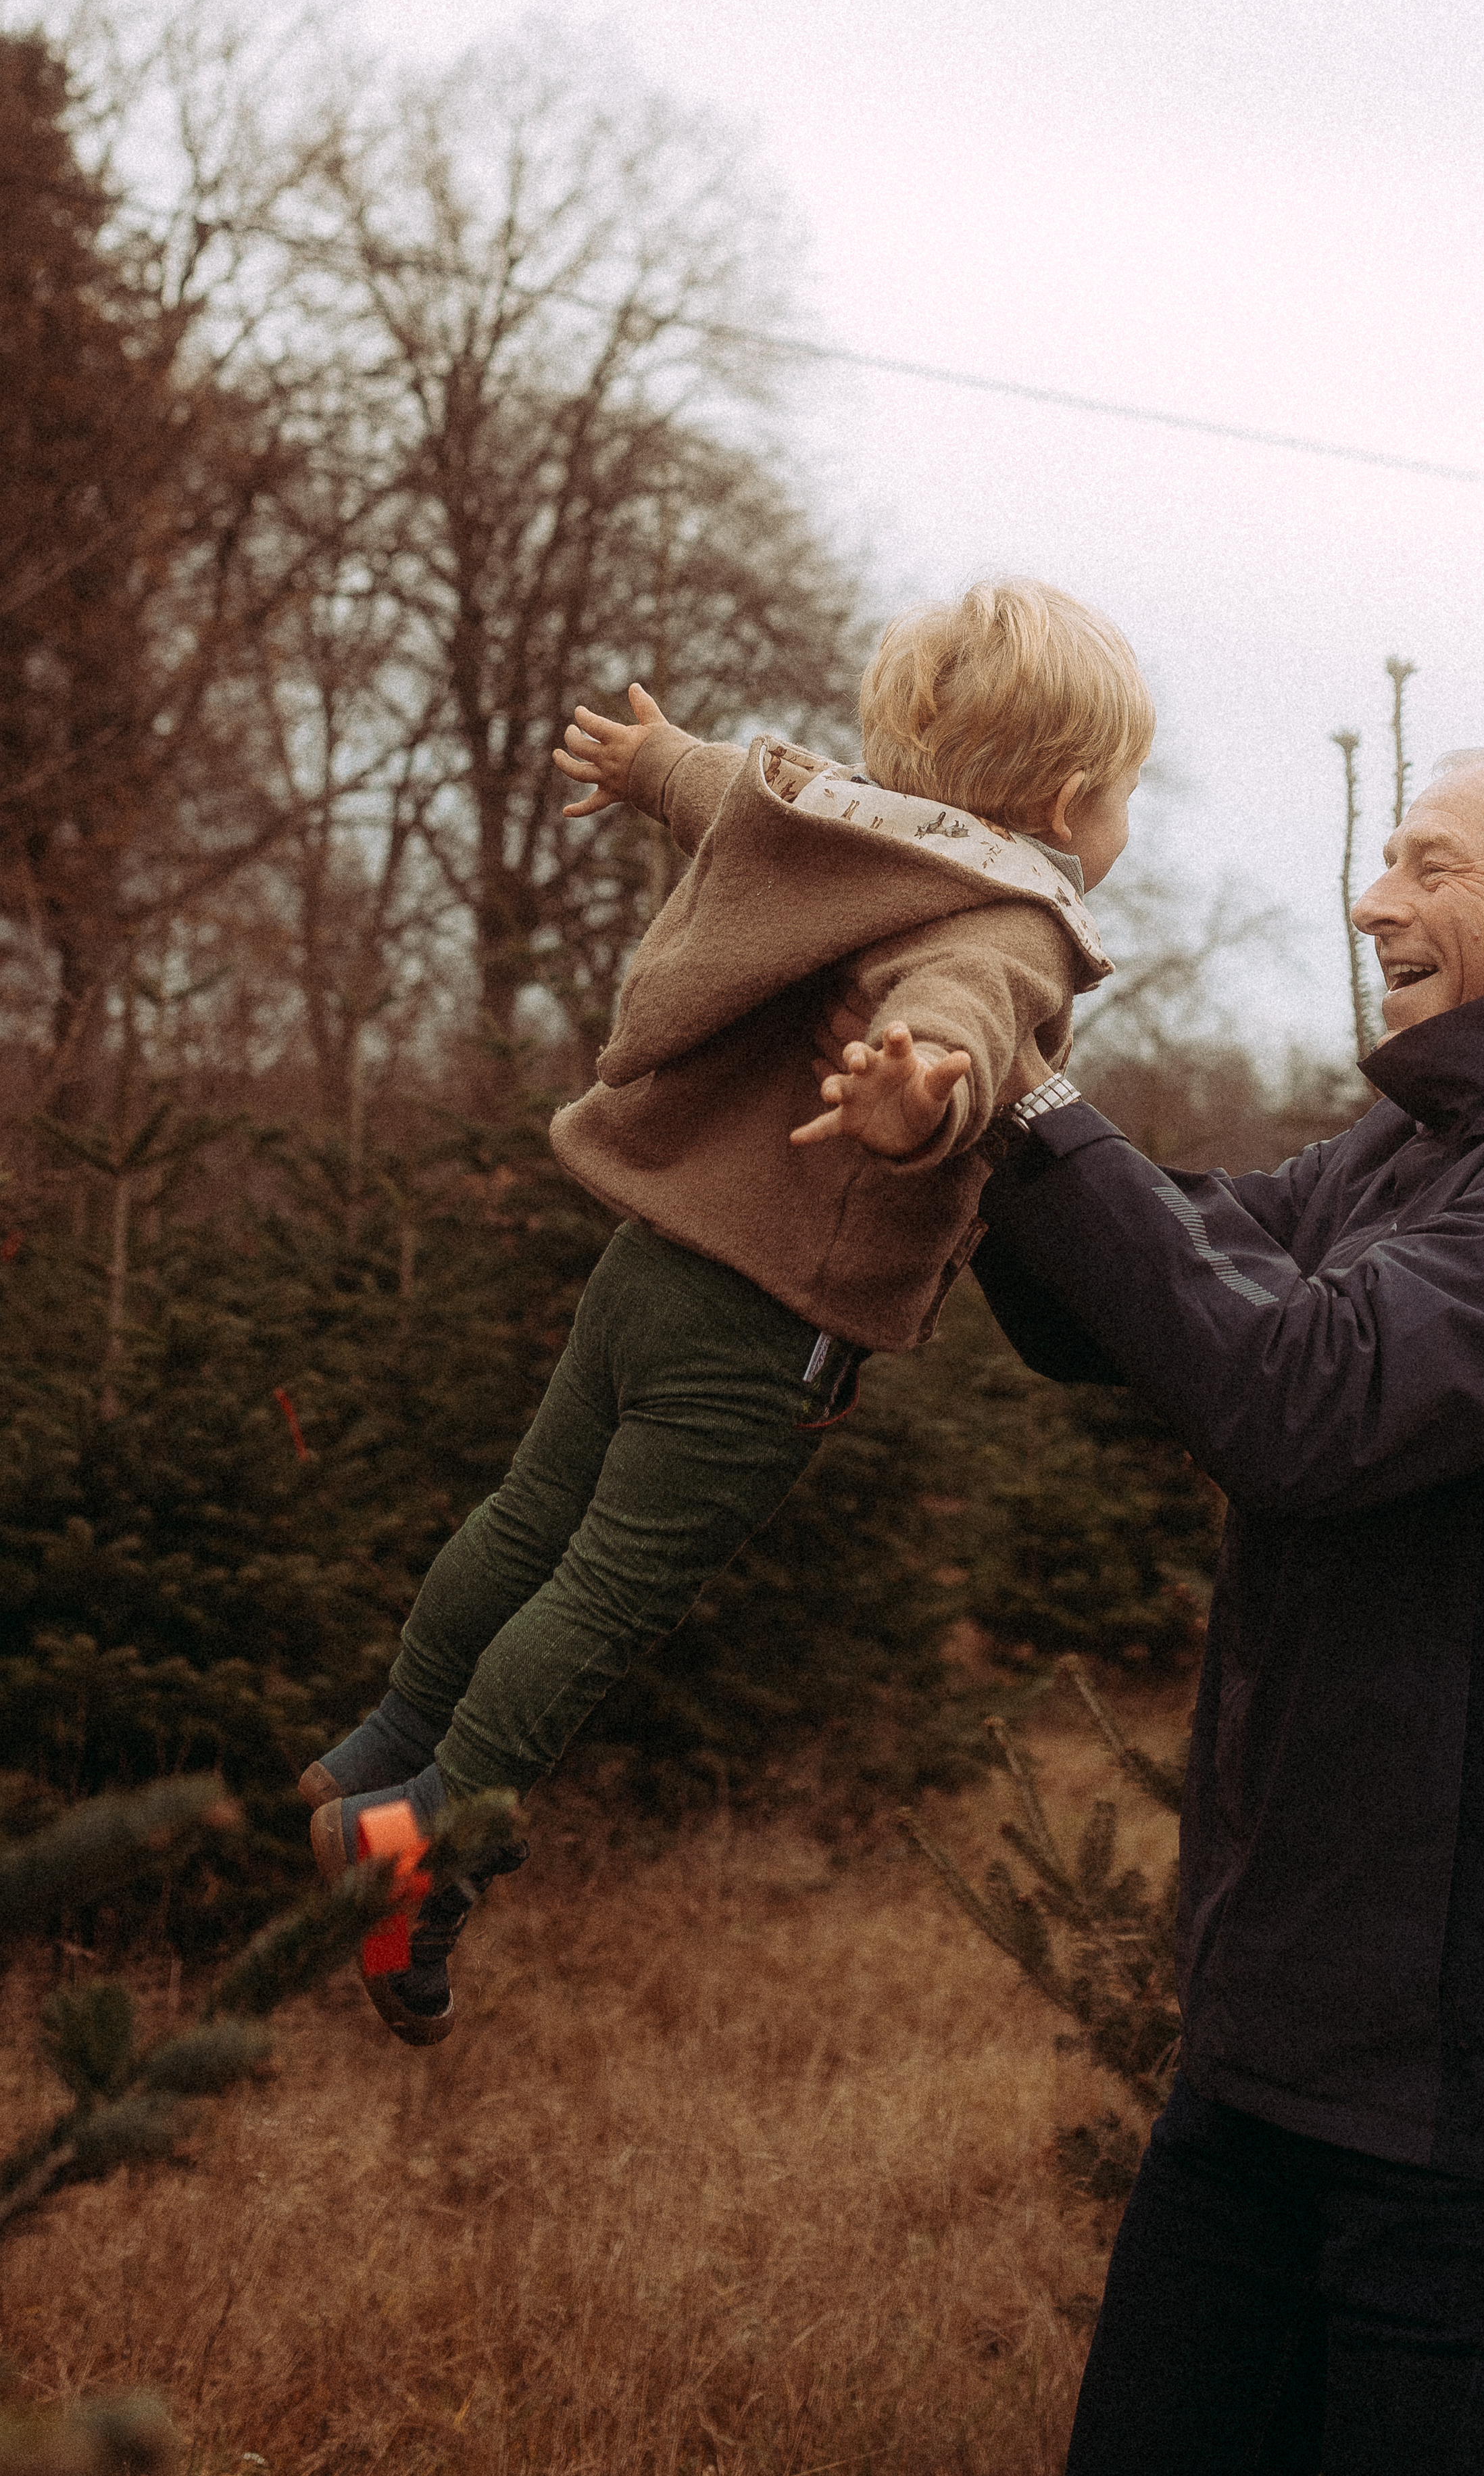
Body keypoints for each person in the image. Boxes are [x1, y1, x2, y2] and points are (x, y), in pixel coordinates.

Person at [957, 744, 1484, 2476]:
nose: (1372, 898)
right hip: (1274, 2040)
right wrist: (965, 1110)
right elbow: (1156, 1277)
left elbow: (1303, 1399)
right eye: (1387, 859)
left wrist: (1033, 1097)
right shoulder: (1422, 1145)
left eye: (1432, 863)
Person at [299, 577, 1149, 2045]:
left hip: (649, 1260)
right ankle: (423, 1834)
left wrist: (649, 761)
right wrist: (916, 1093)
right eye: (1128, 793)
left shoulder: (829, 823)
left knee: (526, 1515)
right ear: (1071, 804)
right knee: (608, 1588)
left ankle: (386, 1738)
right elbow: (953, 1016)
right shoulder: (1008, 920)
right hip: (767, 1322)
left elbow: (719, 788)